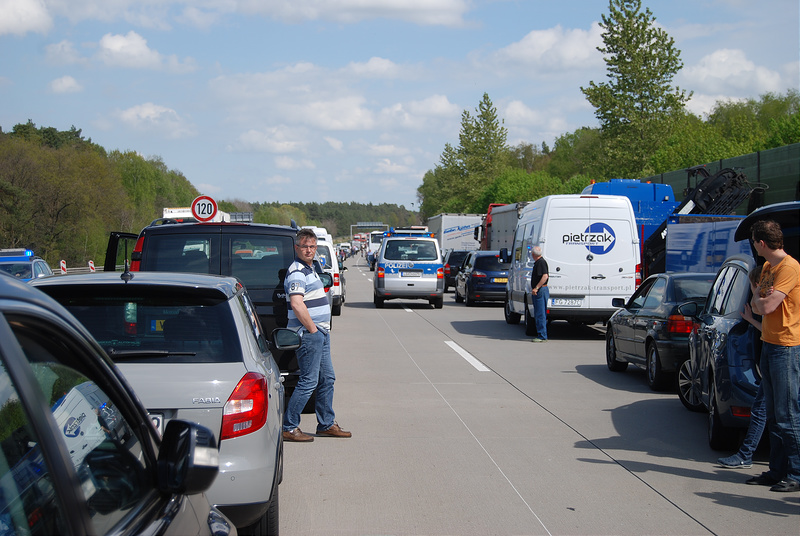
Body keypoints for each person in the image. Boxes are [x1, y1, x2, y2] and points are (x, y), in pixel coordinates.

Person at [745, 220, 800, 492]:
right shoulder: (768, 268)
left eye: (754, 242)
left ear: (761, 243)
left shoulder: (789, 267)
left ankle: (796, 473)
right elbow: (758, 305)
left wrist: (759, 297)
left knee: (787, 413)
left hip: (786, 346)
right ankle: (776, 471)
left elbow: (764, 305)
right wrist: (759, 298)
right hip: (769, 342)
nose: (754, 246)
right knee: (774, 416)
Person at [282, 228, 351, 443]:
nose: (309, 250)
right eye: (305, 246)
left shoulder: (311, 268)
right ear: (297, 248)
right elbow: (296, 303)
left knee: (327, 379)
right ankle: (289, 426)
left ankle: (326, 424)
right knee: (308, 381)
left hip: (320, 332)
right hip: (309, 333)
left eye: (312, 246)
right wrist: (312, 330)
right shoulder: (297, 271)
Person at [718, 266, 766, 469]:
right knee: (763, 410)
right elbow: (765, 326)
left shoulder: (770, 302)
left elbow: (758, 308)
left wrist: (756, 291)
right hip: (772, 361)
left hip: (779, 359)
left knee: (780, 414)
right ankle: (746, 454)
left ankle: (747, 455)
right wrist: (749, 320)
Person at [530, 245, 549, 343]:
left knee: (540, 313)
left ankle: (542, 335)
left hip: (541, 290)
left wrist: (536, 288)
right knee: (539, 313)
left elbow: (545, 276)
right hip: (540, 290)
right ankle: (541, 334)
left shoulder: (541, 263)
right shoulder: (539, 262)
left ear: (533, 254)